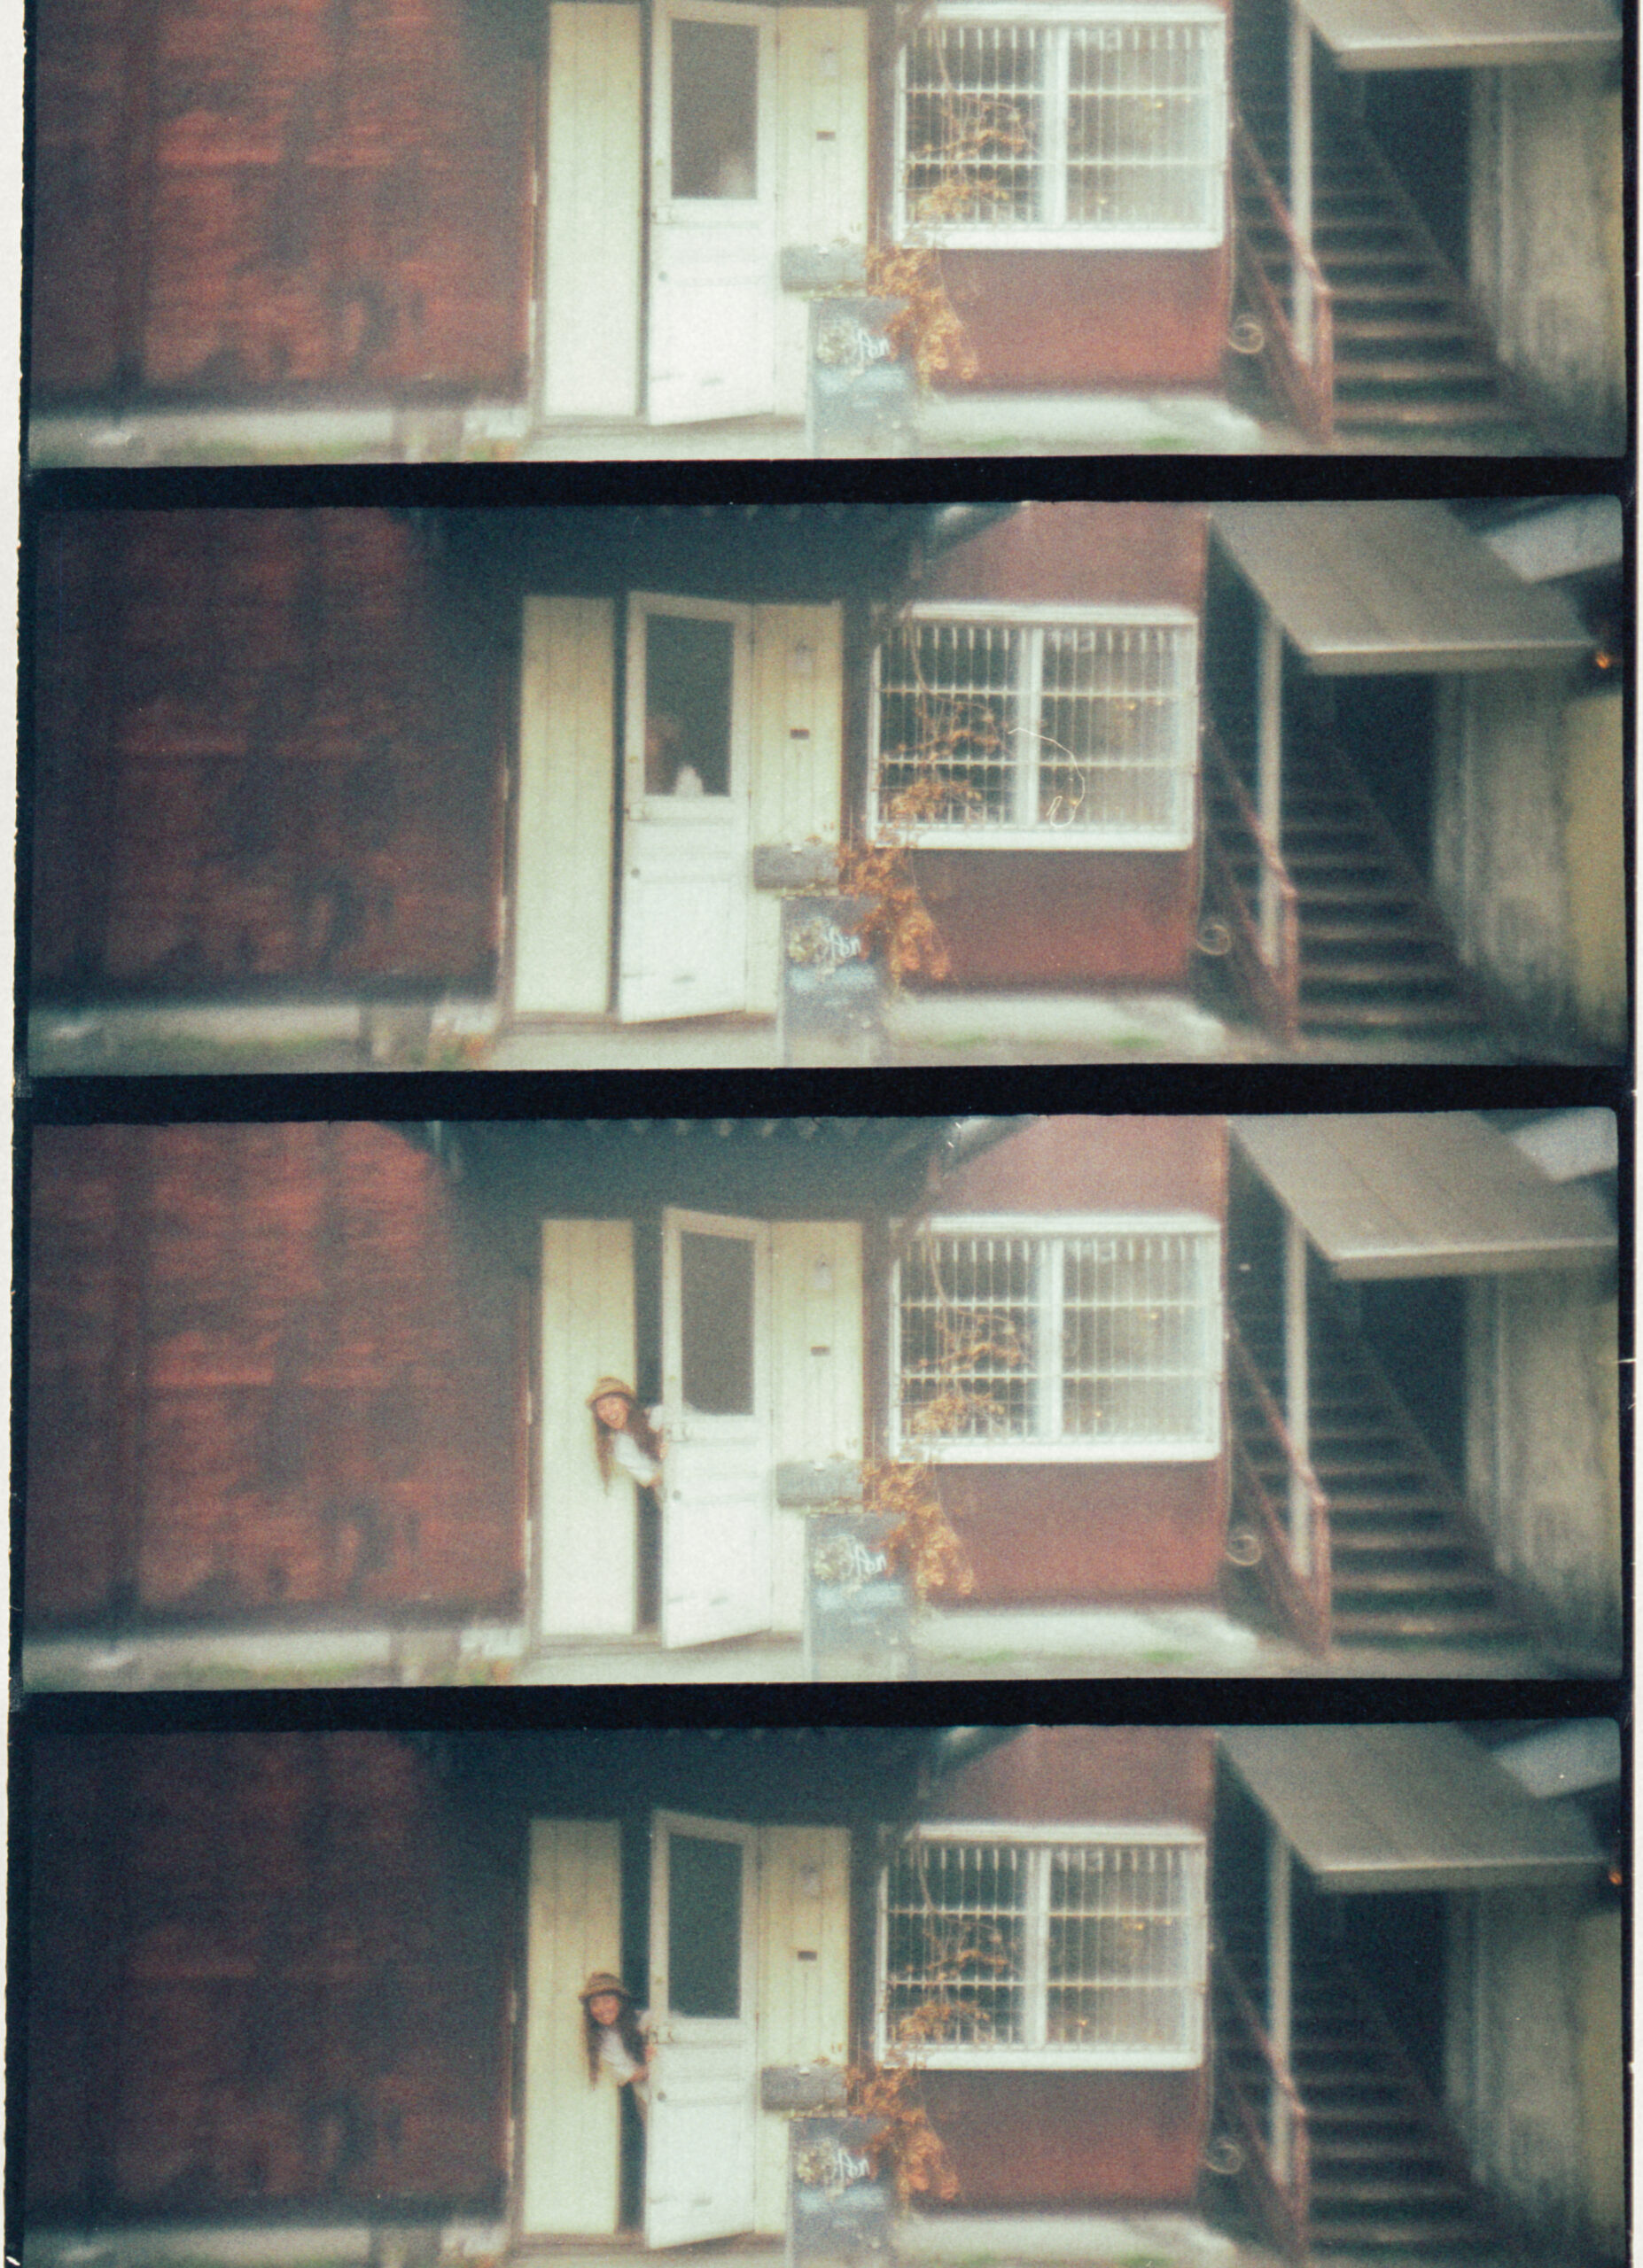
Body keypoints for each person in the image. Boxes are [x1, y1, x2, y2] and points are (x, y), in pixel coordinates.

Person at [580, 1970, 651, 2117]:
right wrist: (652, 2064)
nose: (602, 2009)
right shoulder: (605, 2039)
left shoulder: (647, 2019)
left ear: (620, 2001)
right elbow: (630, 2075)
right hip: (647, 2100)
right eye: (595, 2004)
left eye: (607, 2001)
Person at [588, 1377, 665, 1489]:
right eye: (601, 1407)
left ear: (627, 1404)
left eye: (612, 1403)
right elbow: (651, 1480)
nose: (609, 1412)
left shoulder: (658, 1415)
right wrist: (669, 1460)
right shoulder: (621, 1446)